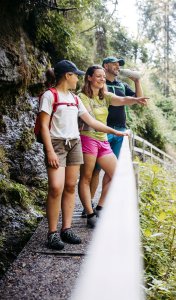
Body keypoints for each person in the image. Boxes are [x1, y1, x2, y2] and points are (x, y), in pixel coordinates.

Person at [38, 60, 127, 250]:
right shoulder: (49, 95)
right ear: (67, 76)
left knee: (70, 186)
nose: (77, 79)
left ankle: (66, 229)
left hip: (75, 144)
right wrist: (50, 150)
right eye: (76, 75)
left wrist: (115, 131)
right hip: (57, 145)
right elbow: (44, 126)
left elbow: (91, 122)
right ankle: (52, 233)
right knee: (56, 187)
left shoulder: (74, 98)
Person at [78, 65, 148, 228]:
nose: (102, 79)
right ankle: (89, 213)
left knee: (116, 173)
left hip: (102, 140)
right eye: (98, 76)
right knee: (86, 177)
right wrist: (114, 132)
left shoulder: (105, 96)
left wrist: (136, 99)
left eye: (103, 76)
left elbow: (123, 100)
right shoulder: (82, 97)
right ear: (89, 77)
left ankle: (100, 207)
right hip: (88, 138)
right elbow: (92, 122)